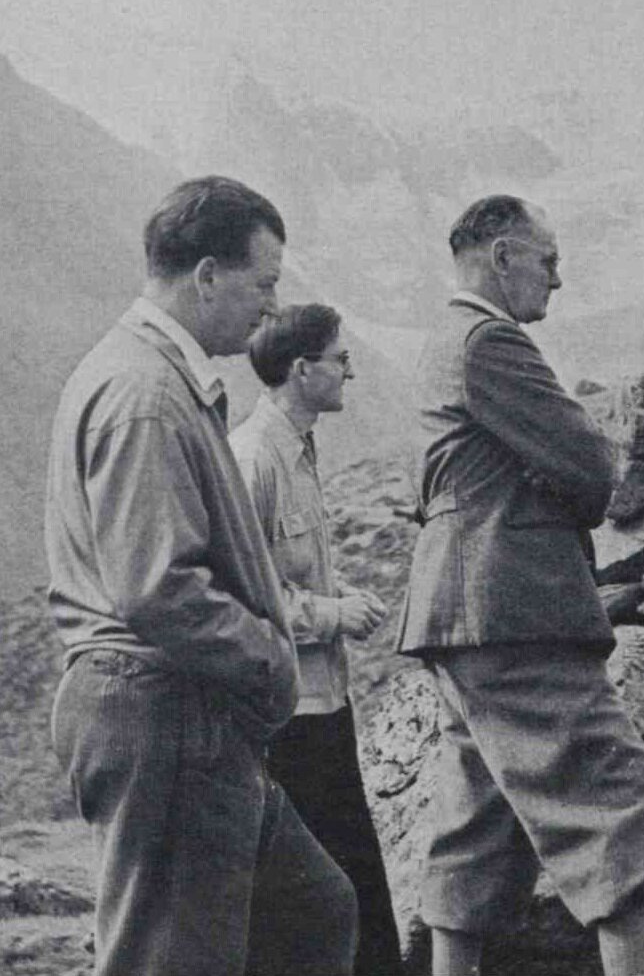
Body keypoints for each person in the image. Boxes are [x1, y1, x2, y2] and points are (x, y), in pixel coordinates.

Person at [44, 176, 356, 976]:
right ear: (207, 274)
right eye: (263, 283)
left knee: (316, 907)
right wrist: (269, 658)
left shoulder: (151, 376)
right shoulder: (145, 392)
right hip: (167, 711)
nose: (270, 306)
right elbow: (158, 586)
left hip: (179, 715)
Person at [395, 195, 644, 976]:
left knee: (476, 820)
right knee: (616, 792)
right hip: (510, 607)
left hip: (459, 614)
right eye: (548, 261)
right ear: (503, 256)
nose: (558, 278)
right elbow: (591, 467)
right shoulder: (490, 342)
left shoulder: (440, 342)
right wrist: (562, 474)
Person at [230, 303, 403, 976]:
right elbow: (245, 595)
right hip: (287, 718)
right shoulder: (252, 459)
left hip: (326, 705)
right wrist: (333, 614)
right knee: (316, 902)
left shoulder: (296, 449)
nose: (349, 369)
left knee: (356, 884)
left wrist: (338, 599)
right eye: (338, 358)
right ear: (302, 370)